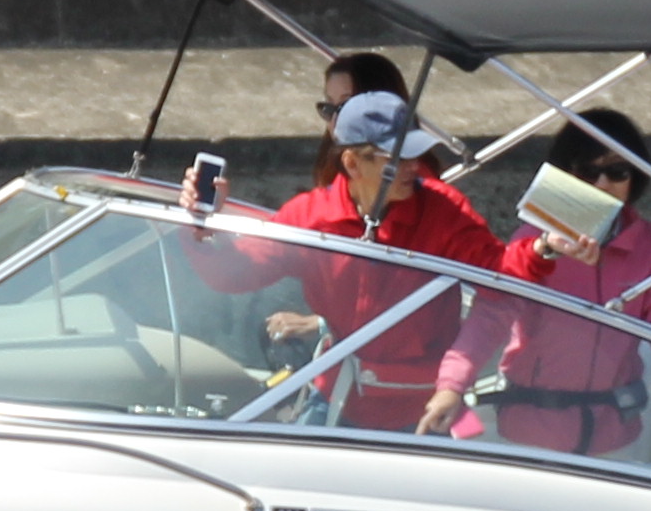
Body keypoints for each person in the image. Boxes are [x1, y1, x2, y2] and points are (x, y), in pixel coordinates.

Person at [183, 89, 512, 431]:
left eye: (414, 153)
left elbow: (504, 288)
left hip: (427, 411)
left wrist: (454, 383)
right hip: (335, 398)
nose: (413, 167)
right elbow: (232, 275)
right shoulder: (311, 216)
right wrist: (201, 225)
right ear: (353, 164)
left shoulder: (445, 211)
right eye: (396, 158)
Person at [430, 108, 651, 453]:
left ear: (634, 176)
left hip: (615, 433)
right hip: (531, 433)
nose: (602, 184)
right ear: (565, 174)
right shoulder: (534, 242)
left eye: (616, 171)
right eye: (588, 171)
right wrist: (451, 386)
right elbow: (490, 317)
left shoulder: (648, 243)